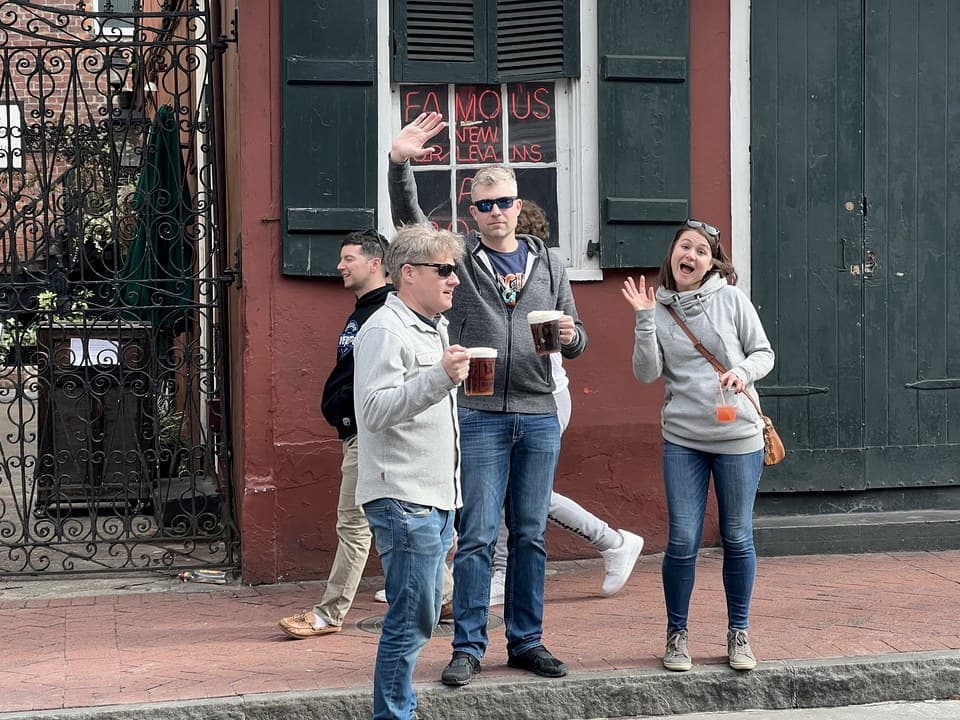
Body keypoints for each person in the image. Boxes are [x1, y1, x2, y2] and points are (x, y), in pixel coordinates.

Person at [388, 112, 587, 687]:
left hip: (538, 412)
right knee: (475, 536)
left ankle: (526, 641)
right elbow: (411, 225)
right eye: (484, 205)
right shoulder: (459, 259)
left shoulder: (548, 260)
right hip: (477, 417)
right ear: (472, 212)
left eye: (504, 202)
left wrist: (573, 338)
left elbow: (575, 334)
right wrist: (400, 163)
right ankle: (469, 646)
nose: (496, 212)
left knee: (529, 534)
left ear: (519, 205)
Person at [277, 230, 453, 640]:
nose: (340, 265)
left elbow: (383, 396)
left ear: (378, 264)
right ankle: (450, 596)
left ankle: (330, 612)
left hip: (374, 440)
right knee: (377, 530)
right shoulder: (365, 313)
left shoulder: (384, 320)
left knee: (353, 526)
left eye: (349, 258)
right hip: (359, 436)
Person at [620, 219, 774, 673]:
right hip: (683, 438)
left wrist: (741, 372)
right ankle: (676, 635)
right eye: (685, 247)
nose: (691, 256)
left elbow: (763, 352)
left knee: (737, 535)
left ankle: (739, 633)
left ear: (712, 263)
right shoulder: (659, 308)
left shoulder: (729, 298)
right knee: (683, 539)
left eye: (702, 251)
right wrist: (645, 321)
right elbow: (647, 374)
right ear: (673, 254)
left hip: (738, 436)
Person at [489, 200, 643, 605]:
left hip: (545, 396)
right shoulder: (488, 275)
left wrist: (569, 336)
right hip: (508, 398)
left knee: (521, 489)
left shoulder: (542, 273)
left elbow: (575, 336)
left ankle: (609, 542)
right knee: (507, 487)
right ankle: (610, 543)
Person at [353, 224, 469, 719]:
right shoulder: (384, 328)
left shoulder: (432, 326)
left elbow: (437, 424)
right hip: (402, 496)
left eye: (454, 270)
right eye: (444, 270)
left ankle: (398, 711)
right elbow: (374, 411)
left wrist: (453, 505)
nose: (454, 280)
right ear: (408, 274)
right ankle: (395, 714)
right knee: (411, 617)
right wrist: (439, 377)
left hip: (432, 498)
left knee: (418, 613)